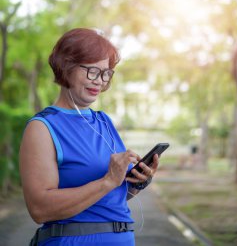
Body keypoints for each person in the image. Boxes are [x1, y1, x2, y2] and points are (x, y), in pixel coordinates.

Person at [19, 28, 159, 246]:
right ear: (66, 66)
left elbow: (108, 199)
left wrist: (136, 183)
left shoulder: (103, 121)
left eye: (106, 73)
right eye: (92, 71)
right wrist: (107, 181)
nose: (100, 81)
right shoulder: (42, 127)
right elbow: (40, 210)